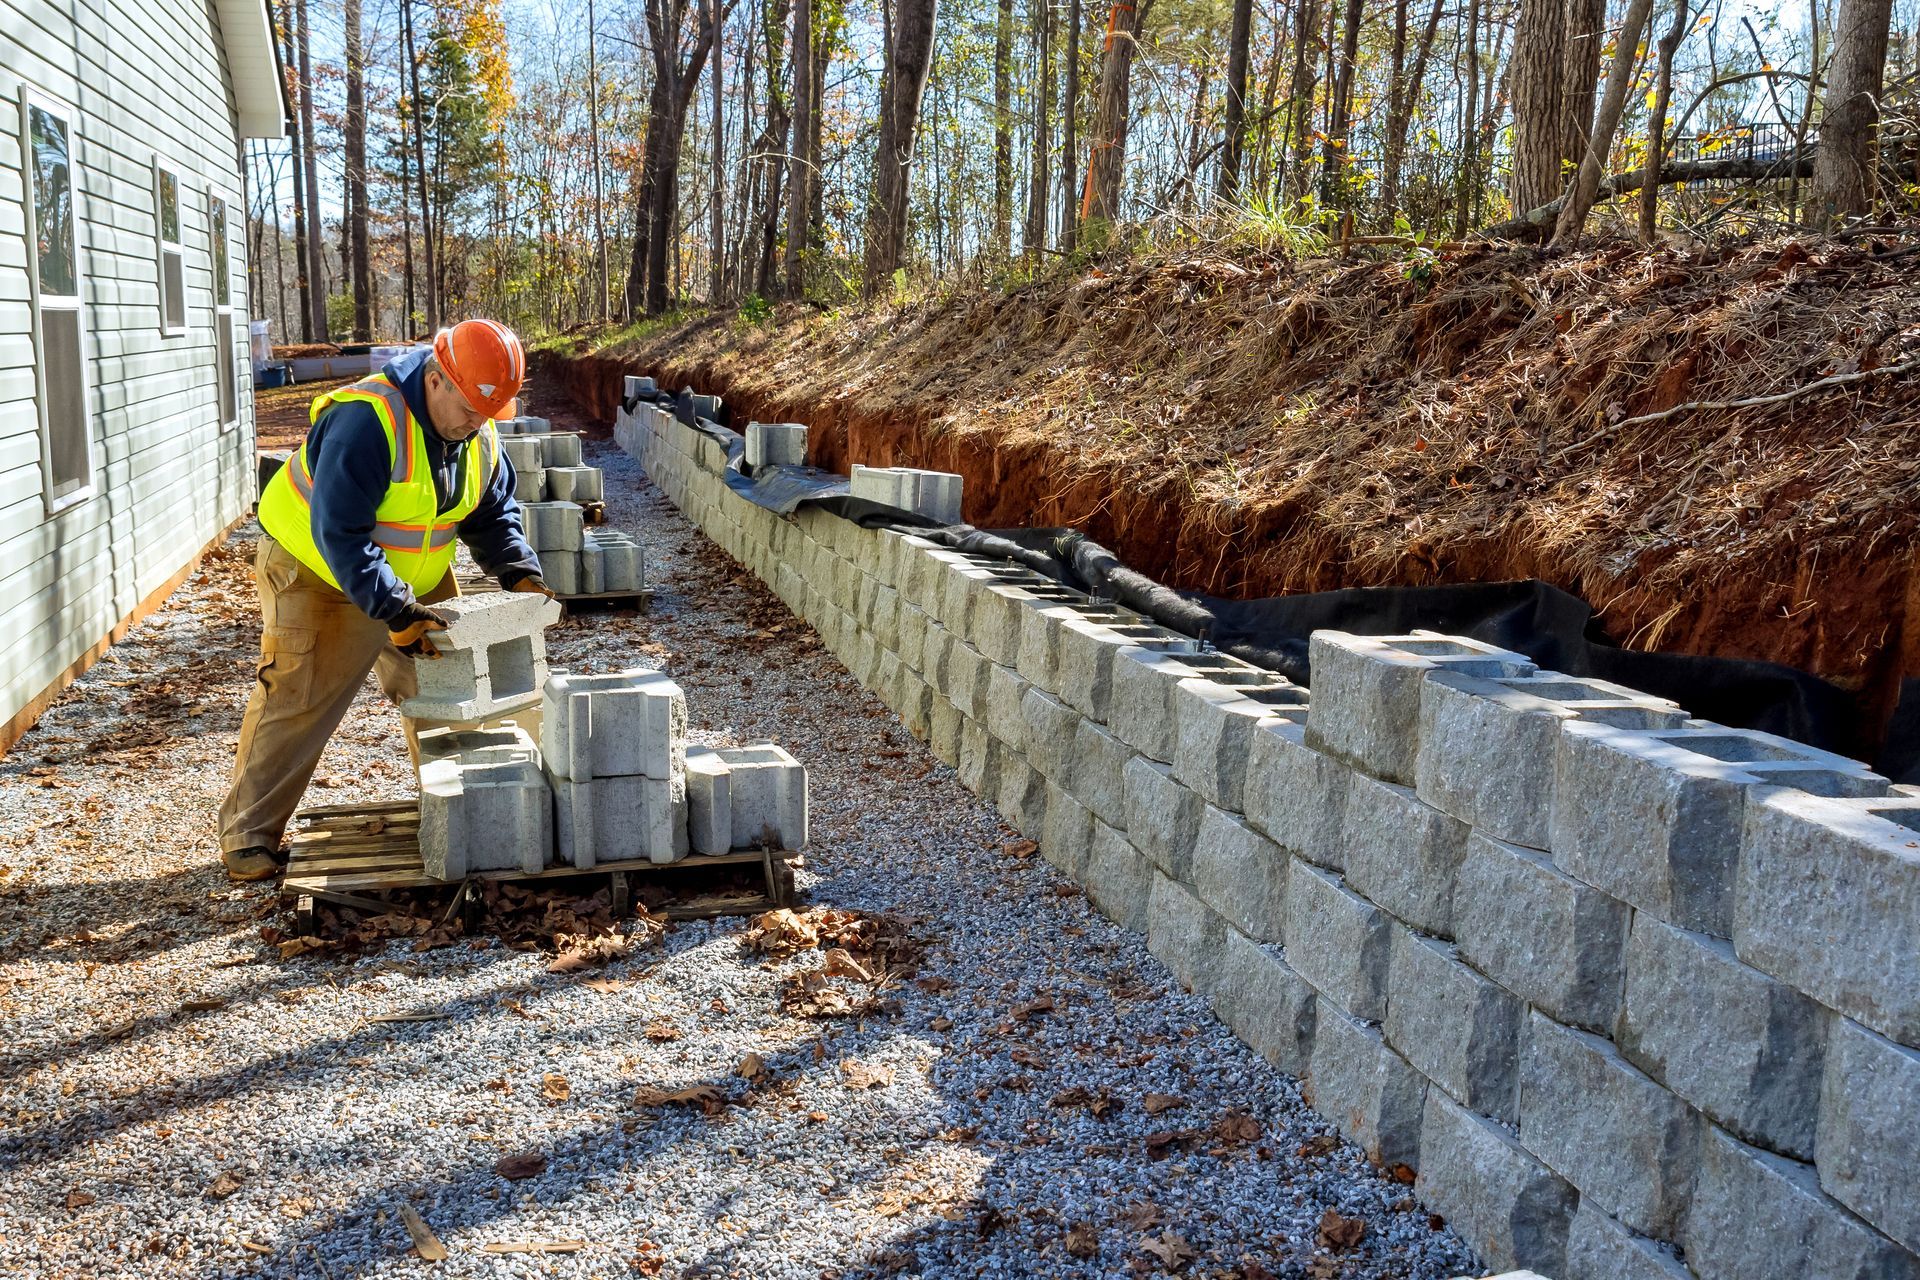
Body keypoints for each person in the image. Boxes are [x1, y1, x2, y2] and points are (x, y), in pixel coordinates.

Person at [218, 319, 553, 882]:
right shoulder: (366, 421)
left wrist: (519, 572)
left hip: (412, 578)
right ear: (437, 378)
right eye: (469, 409)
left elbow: (492, 512)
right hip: (317, 568)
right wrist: (395, 612)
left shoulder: (479, 431)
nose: (476, 425)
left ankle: (459, 813)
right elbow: (341, 534)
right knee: (298, 697)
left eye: (486, 415)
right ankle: (248, 834)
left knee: (453, 691)